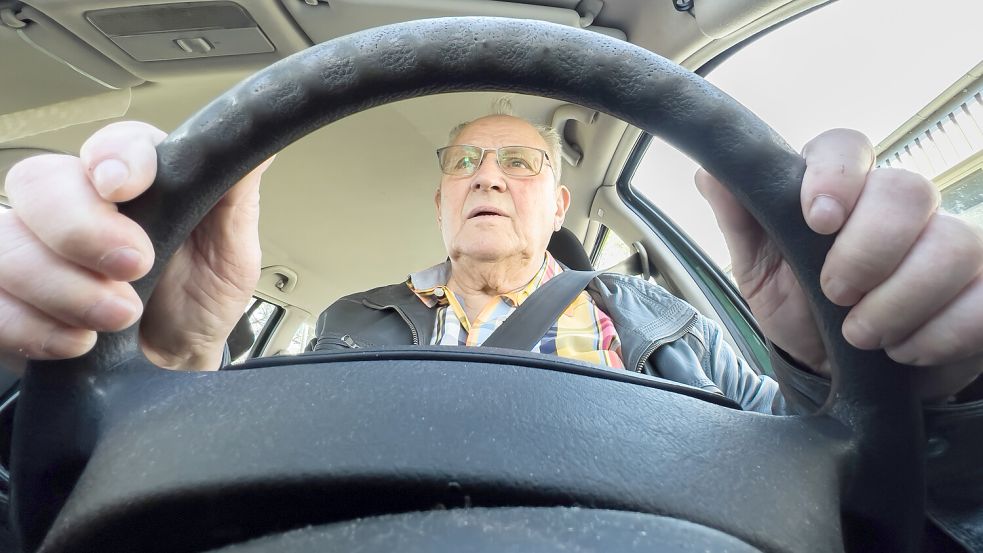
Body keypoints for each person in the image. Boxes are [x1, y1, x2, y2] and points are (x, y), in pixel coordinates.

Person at [1, 116, 982, 545]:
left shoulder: (655, 313)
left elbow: (834, 473)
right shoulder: (352, 322)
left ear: (556, 199)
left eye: (516, 164)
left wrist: (888, 386)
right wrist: (156, 363)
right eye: (465, 161)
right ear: (437, 197)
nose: (485, 177)